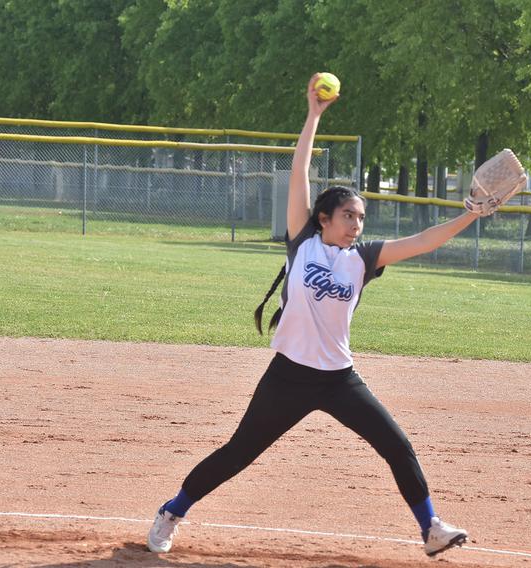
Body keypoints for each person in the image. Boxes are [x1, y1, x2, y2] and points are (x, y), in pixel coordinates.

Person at [147, 73, 483, 558]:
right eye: (349, 215)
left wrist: (469, 214)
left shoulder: (363, 260)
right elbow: (300, 172)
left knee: (397, 445)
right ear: (323, 218)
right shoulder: (302, 243)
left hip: (340, 379)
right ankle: (172, 511)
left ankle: (431, 528)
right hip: (288, 376)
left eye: (361, 218)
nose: (356, 224)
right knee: (240, 452)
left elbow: (423, 241)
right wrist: (313, 116)